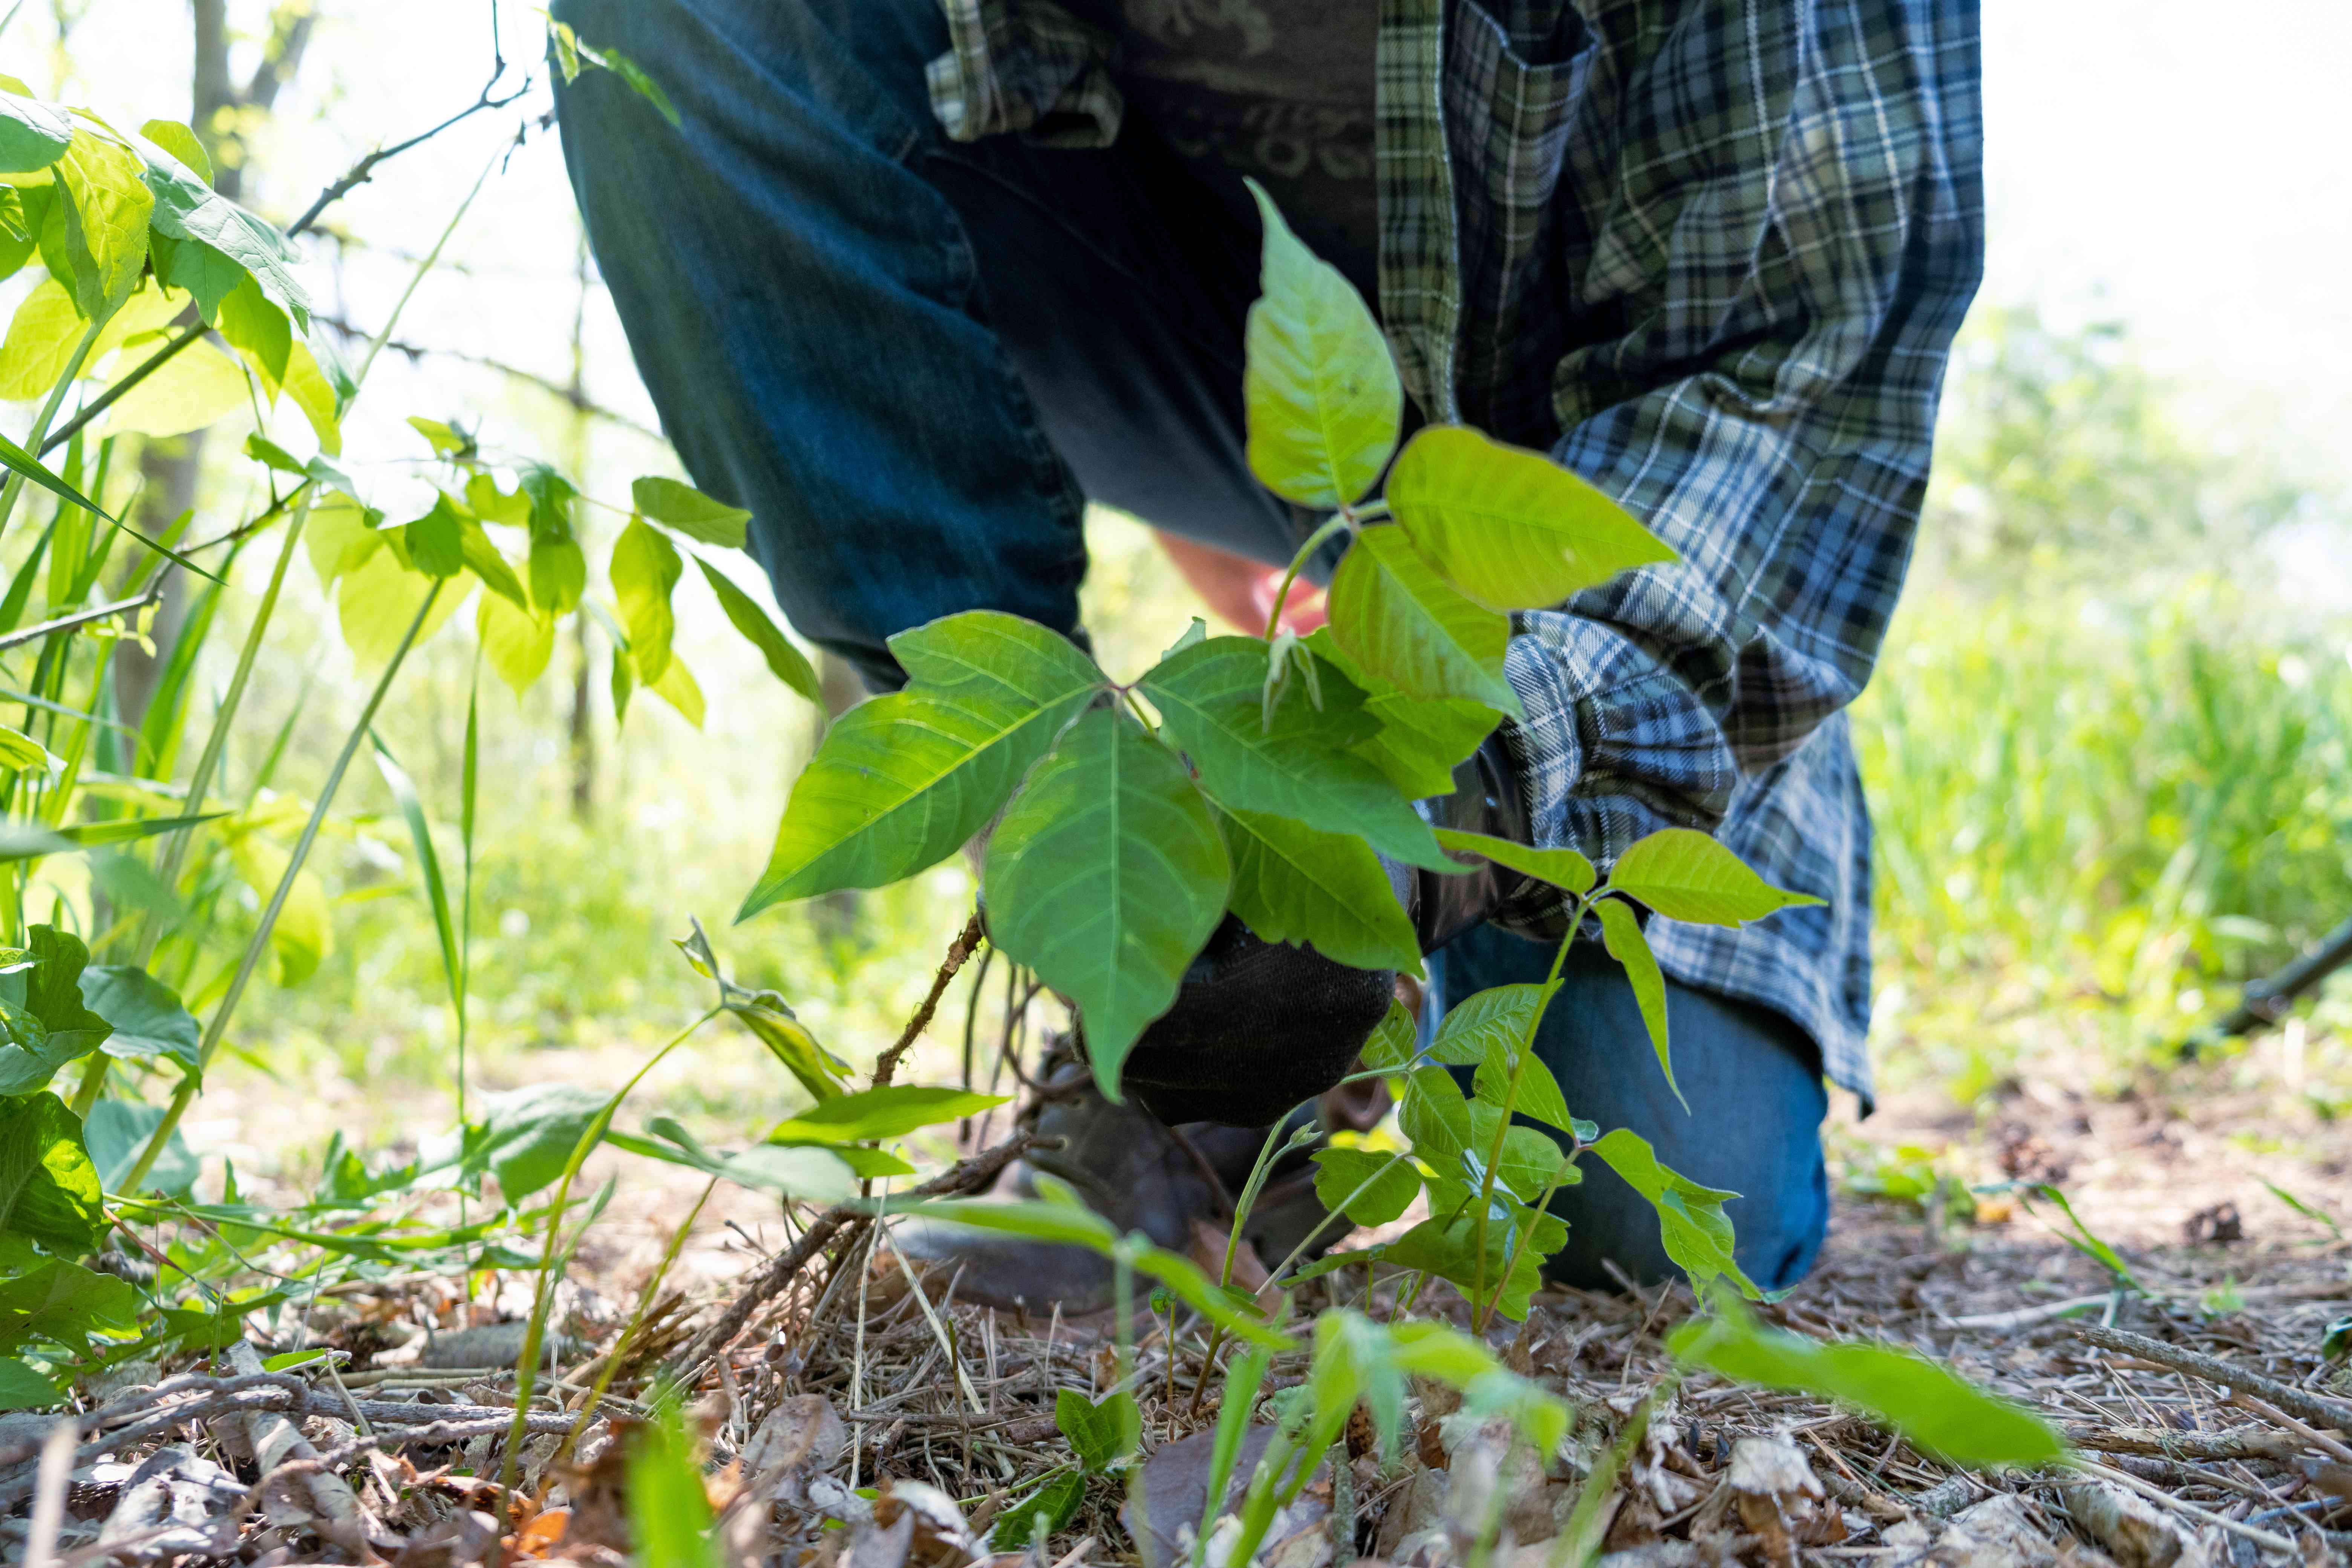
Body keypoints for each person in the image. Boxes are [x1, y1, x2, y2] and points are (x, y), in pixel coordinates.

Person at [550, 0, 1983, 1305]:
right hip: (1184, 329)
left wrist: (1455, 817)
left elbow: (1796, 384)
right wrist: (1096, 841)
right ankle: (1133, 963)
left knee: (1633, 1219)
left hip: (1615, 476)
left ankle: (1486, 844)